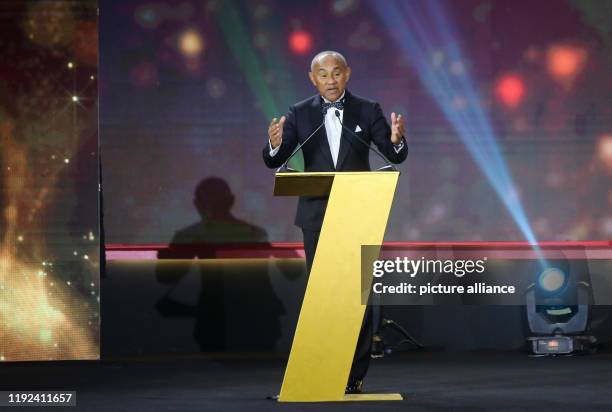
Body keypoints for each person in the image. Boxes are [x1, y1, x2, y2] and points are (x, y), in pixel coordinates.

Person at [262, 50, 408, 393]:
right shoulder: (300, 112)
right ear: (313, 79)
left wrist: (398, 141)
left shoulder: (367, 109)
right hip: (316, 214)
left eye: (337, 73)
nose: (331, 80)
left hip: (358, 214)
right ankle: (321, 369)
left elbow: (391, 152)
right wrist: (274, 144)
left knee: (354, 298)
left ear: (347, 75)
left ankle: (353, 376)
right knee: (322, 296)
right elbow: (277, 160)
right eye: (323, 74)